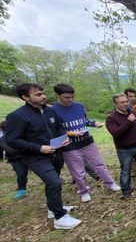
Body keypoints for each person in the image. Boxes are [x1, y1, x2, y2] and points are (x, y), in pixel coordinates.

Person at [6, 83, 81, 229]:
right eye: (38, 95)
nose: (44, 96)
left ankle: (52, 209)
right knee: (54, 182)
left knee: (52, 182)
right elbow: (12, 140)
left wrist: (63, 138)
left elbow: (59, 127)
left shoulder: (50, 111)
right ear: (25, 97)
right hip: (36, 157)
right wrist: (39, 148)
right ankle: (60, 219)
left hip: (56, 153)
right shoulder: (17, 116)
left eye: (43, 93)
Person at [52, 84, 120, 203]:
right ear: (58, 95)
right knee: (78, 171)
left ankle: (110, 183)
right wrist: (69, 133)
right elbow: (54, 130)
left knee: (99, 164)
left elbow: (85, 120)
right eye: (67, 97)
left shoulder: (79, 106)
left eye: (72, 97)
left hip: (87, 141)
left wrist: (94, 123)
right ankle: (84, 191)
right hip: (69, 146)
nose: (70, 100)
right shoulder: (52, 110)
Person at [106, 93, 136, 199]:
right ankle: (126, 190)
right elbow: (116, 133)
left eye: (126, 101)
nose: (125, 104)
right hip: (124, 149)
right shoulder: (111, 118)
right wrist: (128, 121)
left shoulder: (131, 112)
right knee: (125, 171)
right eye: (122, 102)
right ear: (115, 104)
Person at [0, 120, 29, 199]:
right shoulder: (2, 139)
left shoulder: (22, 132)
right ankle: (22, 189)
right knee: (21, 173)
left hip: (30, 155)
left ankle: (53, 181)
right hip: (15, 158)